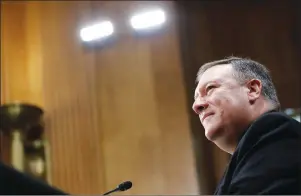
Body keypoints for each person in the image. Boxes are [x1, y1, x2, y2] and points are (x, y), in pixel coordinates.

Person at [192, 57, 301, 194]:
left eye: (210, 88)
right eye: (196, 98)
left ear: (253, 89)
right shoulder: (250, 153)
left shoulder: (276, 129)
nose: (196, 106)